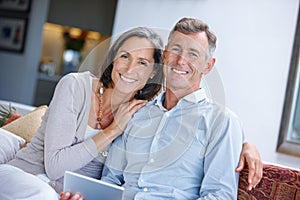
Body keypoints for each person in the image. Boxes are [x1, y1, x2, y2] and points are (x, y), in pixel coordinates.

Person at [61, 18, 262, 200]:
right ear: (165, 56)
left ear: (208, 66)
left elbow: (219, 196)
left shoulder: (222, 121)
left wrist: (244, 143)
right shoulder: (136, 112)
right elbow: (111, 180)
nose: (181, 60)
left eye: (193, 54)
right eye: (176, 50)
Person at [0, 27, 165, 200]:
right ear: (113, 59)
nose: (130, 68)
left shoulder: (140, 115)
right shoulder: (75, 86)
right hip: (22, 177)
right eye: (125, 56)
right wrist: (114, 130)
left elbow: (116, 180)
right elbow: (55, 167)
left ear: (153, 72)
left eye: (142, 62)